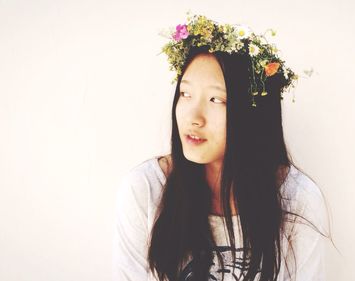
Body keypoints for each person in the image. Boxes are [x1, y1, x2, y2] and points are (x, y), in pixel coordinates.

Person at [113, 14, 331, 281]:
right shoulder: (146, 190)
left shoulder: (298, 199)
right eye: (185, 94)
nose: (195, 117)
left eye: (217, 99)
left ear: (253, 113)